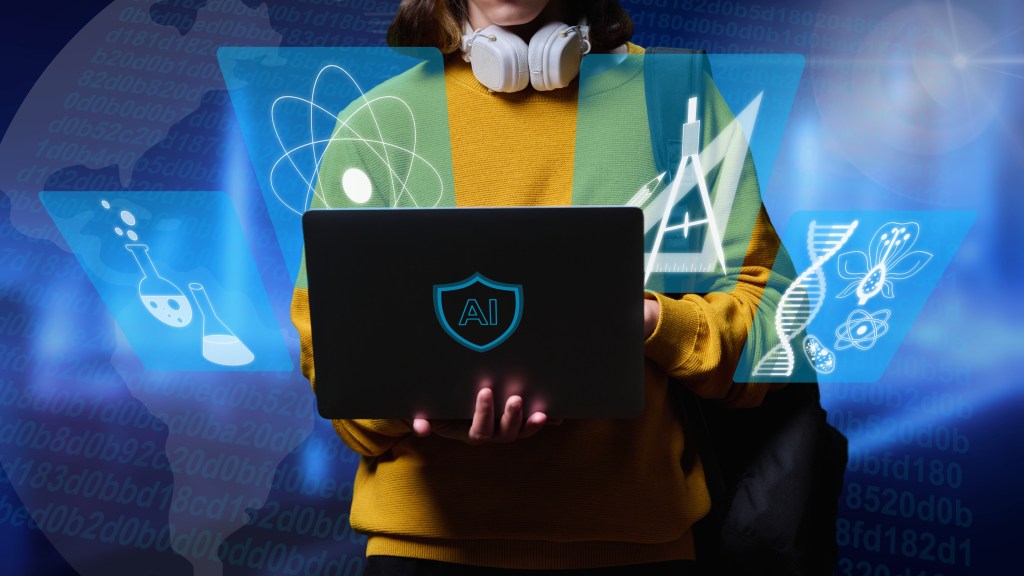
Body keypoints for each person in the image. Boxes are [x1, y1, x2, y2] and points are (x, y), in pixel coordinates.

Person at [291, 0, 789, 573]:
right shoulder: (378, 124)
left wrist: (650, 321)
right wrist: (418, 403)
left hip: (637, 549)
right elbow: (337, 379)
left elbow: (775, 330)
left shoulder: (676, 104)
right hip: (424, 549)